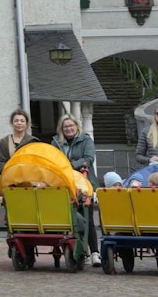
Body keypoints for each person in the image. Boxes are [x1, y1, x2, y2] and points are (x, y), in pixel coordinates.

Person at [51, 114, 100, 265]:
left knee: (88, 218)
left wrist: (69, 166)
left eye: (71, 126)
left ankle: (95, 252)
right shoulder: (56, 143)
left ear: (77, 127)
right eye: (66, 127)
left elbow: (88, 158)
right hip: (64, 184)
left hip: (84, 183)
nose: (69, 129)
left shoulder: (85, 140)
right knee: (69, 218)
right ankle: (77, 249)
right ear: (61, 129)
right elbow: (53, 160)